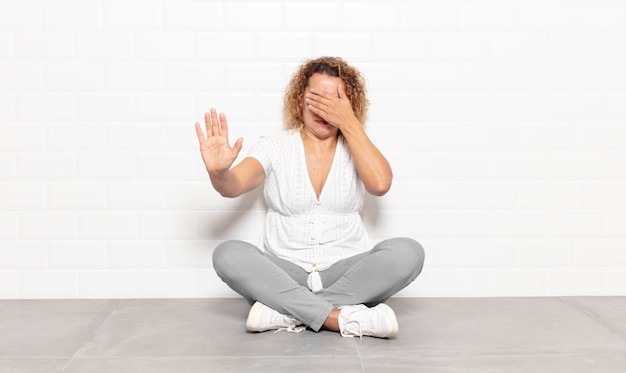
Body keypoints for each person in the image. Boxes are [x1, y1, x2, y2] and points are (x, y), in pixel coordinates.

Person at [195, 56, 425, 338]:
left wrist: (349, 123)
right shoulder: (275, 147)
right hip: (284, 274)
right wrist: (219, 172)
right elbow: (231, 186)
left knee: (408, 252)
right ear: (300, 99)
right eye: (316, 97)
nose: (323, 108)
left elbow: (380, 184)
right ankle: (340, 318)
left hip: (346, 273)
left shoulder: (357, 147)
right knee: (228, 254)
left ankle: (287, 312)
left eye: (335, 100)